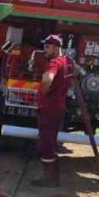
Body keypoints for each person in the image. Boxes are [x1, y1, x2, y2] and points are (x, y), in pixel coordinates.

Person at [32, 35, 73, 187]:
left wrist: (43, 91)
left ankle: (49, 178)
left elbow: (48, 78)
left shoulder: (55, 63)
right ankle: (54, 177)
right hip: (58, 108)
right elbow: (77, 72)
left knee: (46, 143)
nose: (45, 50)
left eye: (47, 47)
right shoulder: (67, 61)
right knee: (50, 141)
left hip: (49, 108)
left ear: (56, 48)